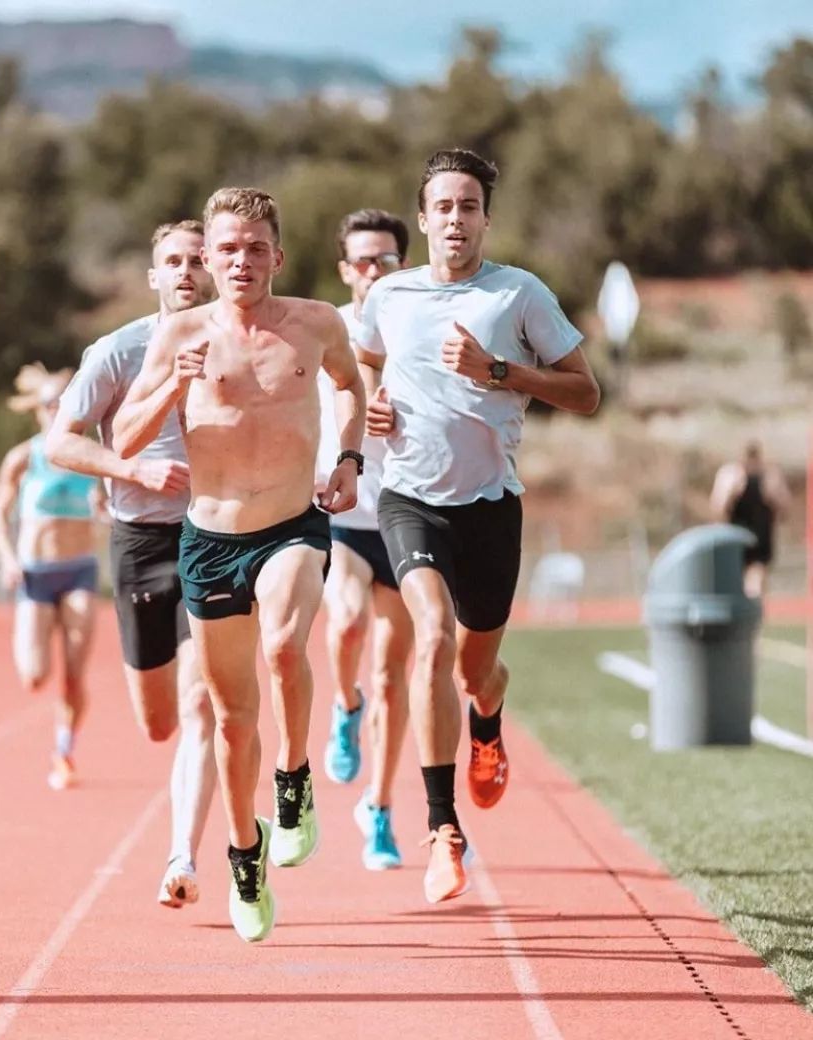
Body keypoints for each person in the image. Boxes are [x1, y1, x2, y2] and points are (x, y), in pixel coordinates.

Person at [113, 187, 366, 943]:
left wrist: (348, 456)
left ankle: (293, 782)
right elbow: (125, 439)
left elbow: (352, 386)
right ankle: (244, 853)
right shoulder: (180, 333)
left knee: (286, 646)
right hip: (211, 538)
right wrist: (169, 379)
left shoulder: (316, 324)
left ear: (276, 256)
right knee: (229, 717)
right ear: (211, 258)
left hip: (293, 523)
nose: (240, 261)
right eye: (227, 248)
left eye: (255, 247)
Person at [356, 149, 600, 904]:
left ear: (485, 219)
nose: (455, 219)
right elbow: (365, 364)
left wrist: (498, 371)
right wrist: (371, 406)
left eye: (468, 206)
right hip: (408, 499)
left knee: (472, 672)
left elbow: (586, 393)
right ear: (423, 217)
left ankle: (488, 717)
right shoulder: (389, 295)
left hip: (491, 507)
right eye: (443, 207)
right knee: (427, 636)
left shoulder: (519, 294)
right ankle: (442, 829)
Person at [44, 220, 218, 909]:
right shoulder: (118, 351)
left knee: (202, 700)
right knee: (158, 722)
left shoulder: (248, 342)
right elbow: (62, 442)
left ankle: (185, 854)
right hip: (141, 542)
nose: (186, 271)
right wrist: (130, 469)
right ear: (153, 277)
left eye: (198, 259)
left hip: (217, 537)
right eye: (172, 261)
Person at [316, 208, 413, 872]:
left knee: (394, 671)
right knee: (346, 624)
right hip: (342, 511)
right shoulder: (326, 329)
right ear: (346, 270)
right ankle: (343, 704)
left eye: (384, 259)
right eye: (361, 261)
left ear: (402, 265)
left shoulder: (424, 326)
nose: (372, 270)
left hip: (408, 516)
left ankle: (378, 809)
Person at [0, 364, 103, 792]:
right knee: (34, 675)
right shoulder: (24, 457)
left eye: (62, 403)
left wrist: (105, 509)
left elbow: (113, 502)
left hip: (79, 572)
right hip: (36, 575)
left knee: (74, 674)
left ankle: (65, 749)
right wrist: (7, 557)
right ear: (37, 411)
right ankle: (39, 665)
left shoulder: (88, 456)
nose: (55, 411)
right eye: (48, 404)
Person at [710, 440, 792, 598]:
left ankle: (752, 611)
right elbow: (717, 510)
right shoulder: (730, 475)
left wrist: (773, 497)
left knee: (756, 579)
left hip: (760, 536)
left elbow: (785, 510)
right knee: (732, 581)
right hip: (733, 535)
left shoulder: (770, 476)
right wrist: (731, 494)